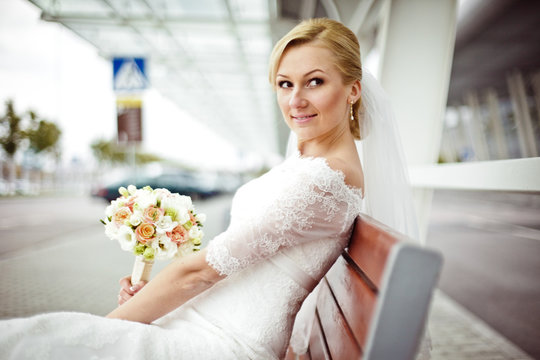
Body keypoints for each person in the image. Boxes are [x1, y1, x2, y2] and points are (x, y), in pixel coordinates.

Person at [0, 18, 421, 359]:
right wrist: (152, 299)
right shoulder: (306, 164)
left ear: (353, 90)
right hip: (200, 321)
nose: (295, 100)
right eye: (284, 83)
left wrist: (108, 326)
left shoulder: (325, 180)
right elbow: (228, 267)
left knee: (41, 341)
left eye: (314, 81)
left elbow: (198, 273)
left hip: (223, 343)